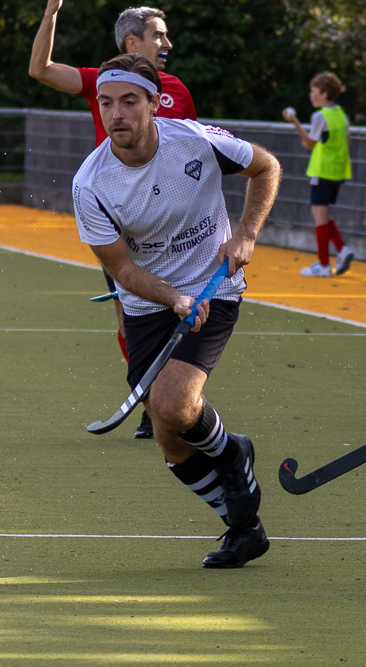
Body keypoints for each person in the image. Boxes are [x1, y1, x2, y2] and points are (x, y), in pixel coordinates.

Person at [71, 54, 281, 568]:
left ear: (153, 103)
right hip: (149, 302)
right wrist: (172, 298)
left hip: (215, 286)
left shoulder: (194, 139)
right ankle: (242, 516)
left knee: (172, 402)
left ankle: (232, 465)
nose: (115, 113)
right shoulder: (91, 183)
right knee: (168, 432)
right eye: (105, 103)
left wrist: (248, 232)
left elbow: (265, 166)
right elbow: (120, 268)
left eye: (128, 101)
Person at [30, 0, 197, 438]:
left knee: (175, 312)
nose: (168, 43)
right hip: (123, 222)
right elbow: (41, 69)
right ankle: (149, 402)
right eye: (159, 35)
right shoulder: (100, 82)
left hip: (175, 226)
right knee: (130, 313)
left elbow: (200, 157)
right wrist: (50, 16)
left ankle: (169, 401)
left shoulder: (175, 88)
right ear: (132, 42)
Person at [283, 72, 355, 277]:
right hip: (338, 171)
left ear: (324, 93)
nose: (310, 95)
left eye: (313, 91)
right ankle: (342, 249)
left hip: (322, 170)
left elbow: (308, 143)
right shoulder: (341, 114)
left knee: (319, 216)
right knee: (319, 213)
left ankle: (324, 264)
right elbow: (347, 142)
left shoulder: (319, 116)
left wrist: (294, 121)